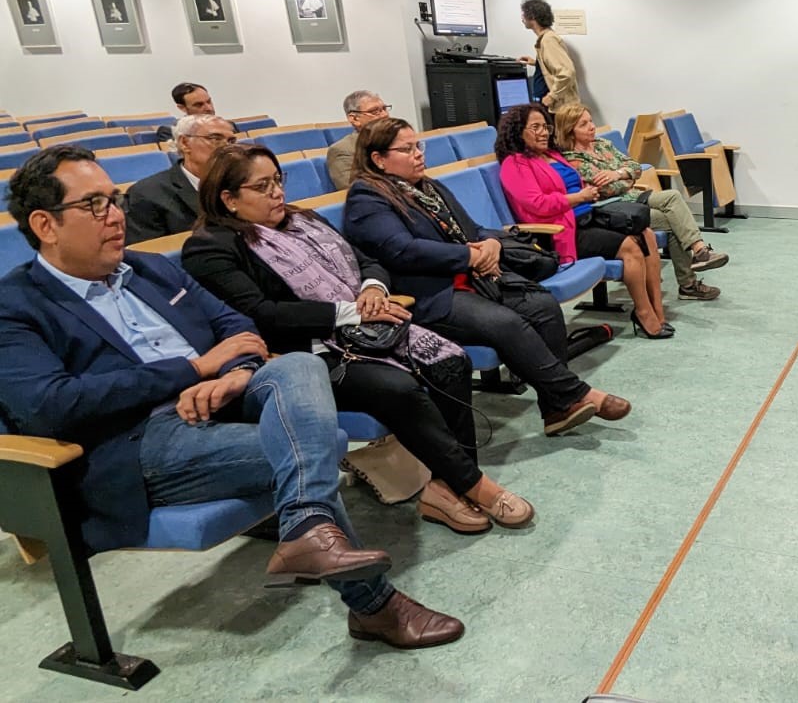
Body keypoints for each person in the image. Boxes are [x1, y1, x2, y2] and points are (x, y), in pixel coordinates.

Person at [0, 146, 462, 648]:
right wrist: (191, 370)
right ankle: (374, 605)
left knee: (300, 365)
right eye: (94, 205)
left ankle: (307, 528)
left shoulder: (149, 269)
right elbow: (50, 404)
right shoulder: (16, 306)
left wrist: (236, 373)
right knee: (312, 444)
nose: (115, 215)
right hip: (138, 441)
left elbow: (234, 325)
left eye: (114, 199)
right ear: (45, 224)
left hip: (221, 399)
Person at [182, 144, 534, 532]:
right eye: (262, 186)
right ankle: (477, 487)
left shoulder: (305, 221)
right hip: (302, 356)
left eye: (278, 181)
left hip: (365, 329)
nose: (277, 192)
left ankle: (445, 488)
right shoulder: (211, 247)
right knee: (399, 389)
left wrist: (372, 290)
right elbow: (263, 313)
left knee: (450, 360)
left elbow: (368, 261)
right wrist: (352, 312)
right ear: (229, 199)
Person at [342, 117, 632, 436]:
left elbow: (474, 229)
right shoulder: (366, 198)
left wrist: (492, 243)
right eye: (407, 149)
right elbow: (402, 250)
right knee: (507, 322)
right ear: (379, 159)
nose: (419, 154)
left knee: (543, 306)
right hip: (428, 294)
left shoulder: (427, 187)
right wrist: (469, 256)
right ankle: (573, 395)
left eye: (418, 145)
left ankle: (556, 408)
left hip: (472, 278)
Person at [497, 104, 672, 338]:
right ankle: (643, 313)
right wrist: (579, 197)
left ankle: (658, 311)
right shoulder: (515, 164)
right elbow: (538, 204)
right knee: (631, 246)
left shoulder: (551, 154)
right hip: (558, 230)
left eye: (545, 126)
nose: (543, 132)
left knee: (646, 234)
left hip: (586, 214)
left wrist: (588, 193)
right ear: (518, 131)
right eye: (535, 127)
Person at [553, 103, 728, 301]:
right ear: (569, 130)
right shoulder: (573, 159)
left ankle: (699, 252)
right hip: (612, 208)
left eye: (591, 121)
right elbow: (607, 189)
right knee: (673, 220)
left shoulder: (602, 144)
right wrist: (626, 178)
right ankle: (690, 281)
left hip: (633, 198)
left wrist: (617, 174)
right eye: (583, 124)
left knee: (673, 197)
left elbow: (635, 167)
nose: (592, 126)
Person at [126, 113, 235, 244]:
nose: (227, 148)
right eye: (215, 138)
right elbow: (149, 252)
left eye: (231, 141)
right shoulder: (147, 194)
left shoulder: (241, 182)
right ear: (185, 143)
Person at [516, 0, 579, 110]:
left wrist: (552, 96)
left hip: (557, 107)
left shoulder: (548, 40)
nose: (522, 18)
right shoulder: (546, 38)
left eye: (523, 14)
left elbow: (567, 73)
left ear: (532, 16)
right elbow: (554, 67)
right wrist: (536, 63)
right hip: (552, 106)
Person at [326, 90, 392, 190]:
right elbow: (354, 189)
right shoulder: (342, 150)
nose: (384, 115)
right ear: (355, 119)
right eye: (375, 112)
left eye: (384, 109)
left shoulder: (397, 139)